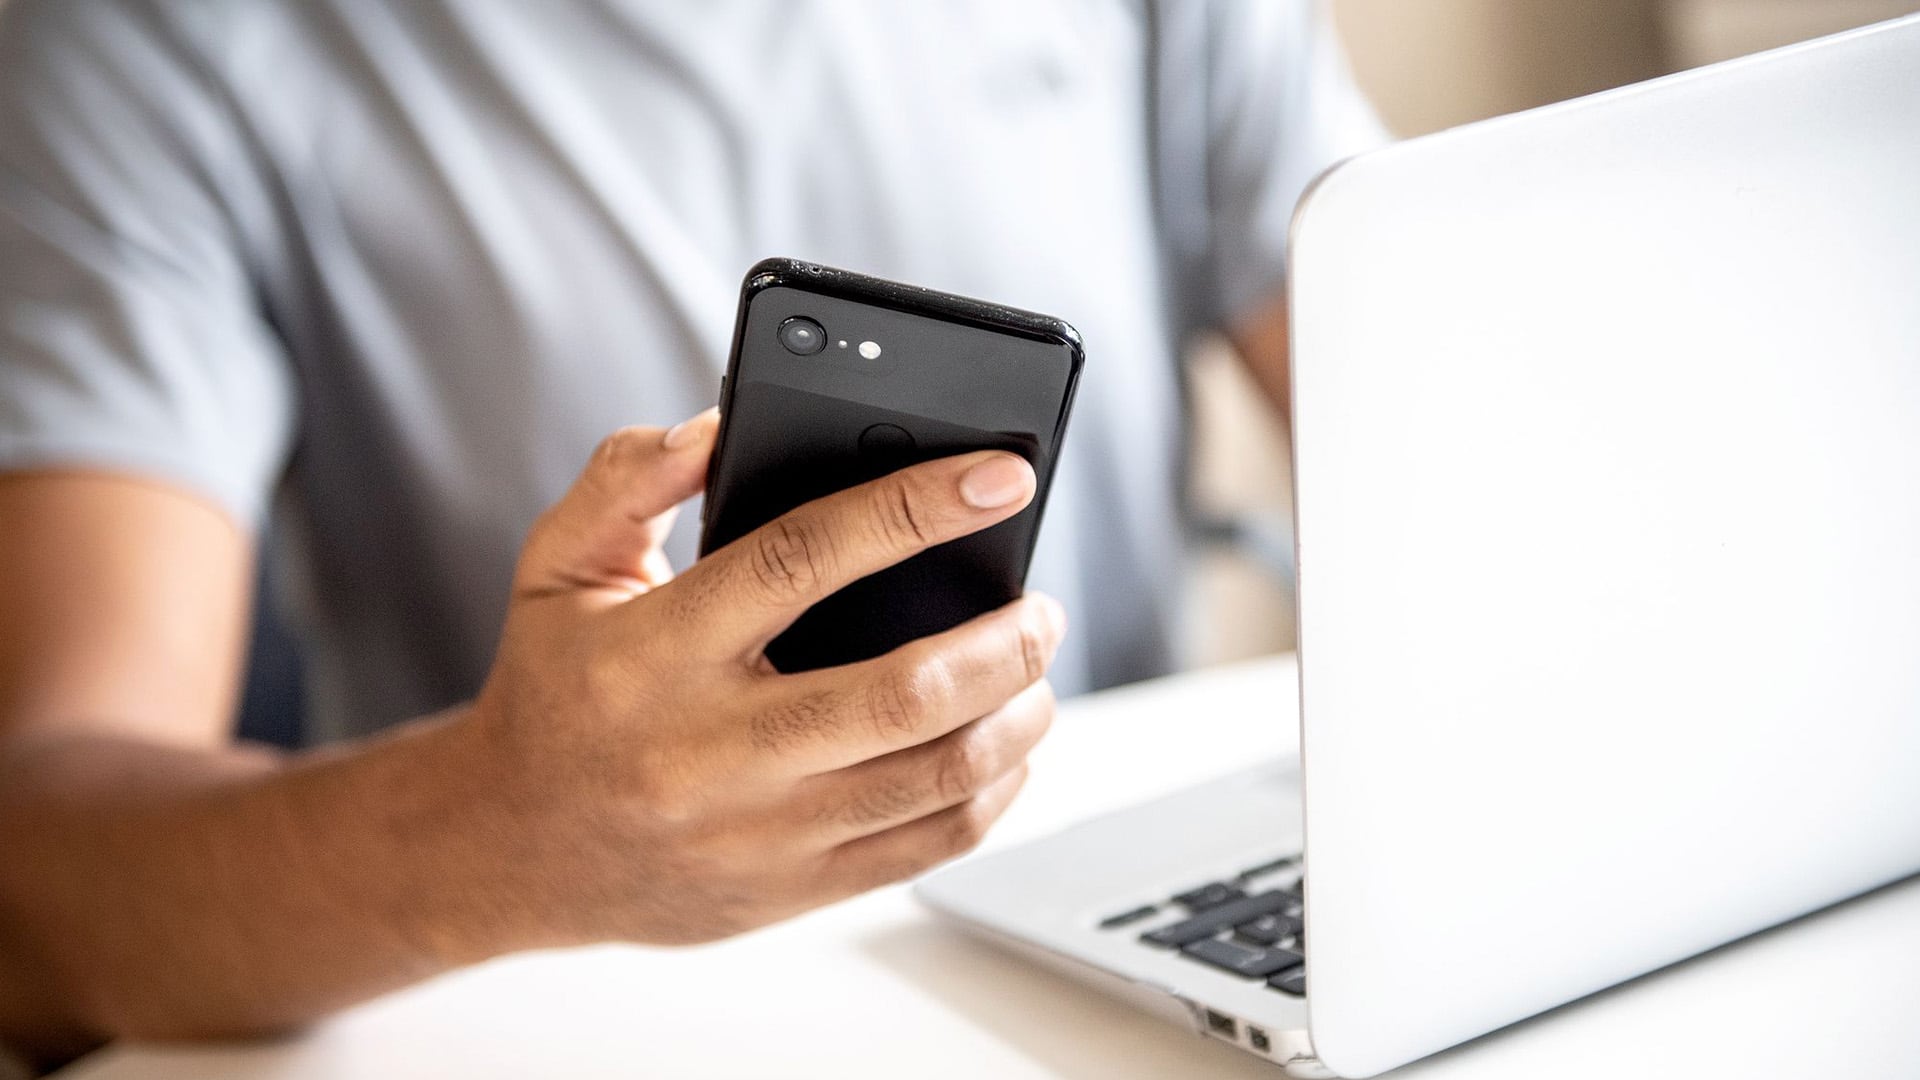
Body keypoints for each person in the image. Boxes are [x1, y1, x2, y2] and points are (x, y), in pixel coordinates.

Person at [0, 0, 1386, 1067]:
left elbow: (1441, 431)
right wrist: (497, 831)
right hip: (557, 1019)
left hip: (1123, 946)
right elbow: (35, 895)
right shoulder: (149, 46)